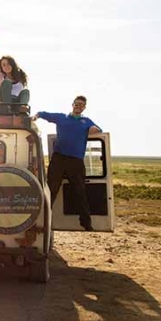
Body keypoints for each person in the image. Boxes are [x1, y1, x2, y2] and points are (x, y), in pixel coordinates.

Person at [32, 96, 102, 231]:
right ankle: (43, 221)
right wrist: (37, 116)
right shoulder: (61, 117)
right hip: (59, 159)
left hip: (76, 161)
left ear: (84, 108)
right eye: (77, 104)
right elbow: (44, 114)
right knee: (51, 190)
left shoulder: (86, 121)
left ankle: (86, 223)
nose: (78, 106)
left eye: (81, 105)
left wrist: (94, 129)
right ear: (72, 104)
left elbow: (98, 129)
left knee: (80, 191)